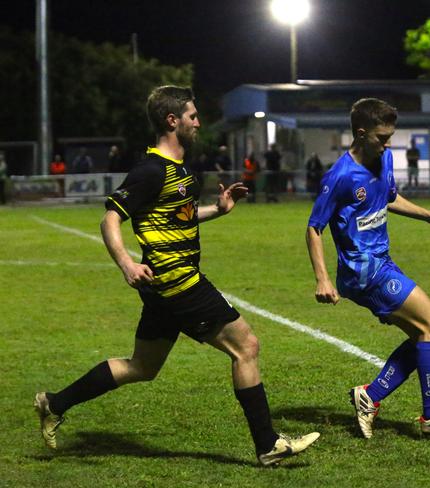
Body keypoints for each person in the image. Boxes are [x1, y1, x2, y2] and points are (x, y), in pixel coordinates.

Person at [33, 85, 319, 466]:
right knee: (246, 346)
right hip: (176, 281)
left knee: (142, 367)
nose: (199, 122)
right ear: (173, 120)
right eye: (193, 116)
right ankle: (268, 444)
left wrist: (218, 210)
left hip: (161, 289)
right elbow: (110, 219)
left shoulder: (177, 170)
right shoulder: (151, 169)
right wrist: (126, 264)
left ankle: (54, 403)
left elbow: (176, 217)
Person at [306, 98, 430, 439]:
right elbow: (314, 227)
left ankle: (369, 396)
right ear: (361, 133)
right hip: (364, 272)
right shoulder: (340, 176)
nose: (389, 144)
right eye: (382, 137)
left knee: (421, 335)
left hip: (382, 263)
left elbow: (388, 197)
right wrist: (323, 278)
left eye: (390, 136)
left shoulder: (384, 158)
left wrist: (427, 214)